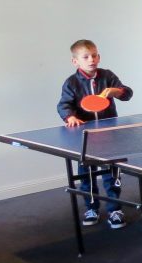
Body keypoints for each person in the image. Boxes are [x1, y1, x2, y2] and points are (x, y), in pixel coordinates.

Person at [56, 39, 133, 229]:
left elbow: (127, 93)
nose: (92, 59)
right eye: (86, 56)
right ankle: (92, 208)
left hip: (109, 133)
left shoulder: (107, 76)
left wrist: (117, 91)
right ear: (76, 61)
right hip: (86, 136)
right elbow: (64, 105)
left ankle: (115, 209)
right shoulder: (72, 82)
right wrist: (70, 117)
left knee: (111, 173)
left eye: (95, 55)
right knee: (86, 175)